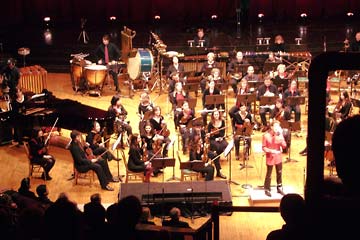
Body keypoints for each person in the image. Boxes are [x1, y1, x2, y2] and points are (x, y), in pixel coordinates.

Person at [262, 120, 287, 197]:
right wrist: (271, 151)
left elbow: (284, 146)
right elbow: (264, 147)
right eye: (275, 126)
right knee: (269, 174)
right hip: (270, 156)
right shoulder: (266, 135)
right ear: (272, 127)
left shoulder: (279, 135)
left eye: (278, 126)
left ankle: (279, 187)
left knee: (279, 172)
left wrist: (281, 138)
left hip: (278, 156)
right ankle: (267, 188)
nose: (277, 128)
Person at [207, 109, 227, 179]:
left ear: (219, 115)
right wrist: (214, 138)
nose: (216, 116)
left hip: (220, 138)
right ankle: (216, 157)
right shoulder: (210, 123)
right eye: (215, 114)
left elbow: (223, 133)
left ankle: (216, 156)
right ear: (213, 115)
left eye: (217, 114)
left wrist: (220, 137)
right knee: (217, 146)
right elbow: (209, 134)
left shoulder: (223, 121)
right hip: (213, 140)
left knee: (225, 145)